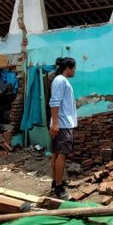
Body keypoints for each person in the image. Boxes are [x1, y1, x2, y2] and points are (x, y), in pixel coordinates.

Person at [49, 57, 77, 200]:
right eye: (74, 68)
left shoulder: (60, 80)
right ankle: (59, 187)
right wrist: (55, 123)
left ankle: (55, 182)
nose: (74, 71)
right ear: (68, 68)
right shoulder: (61, 80)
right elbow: (54, 101)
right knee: (62, 154)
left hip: (61, 122)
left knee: (56, 152)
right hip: (63, 123)